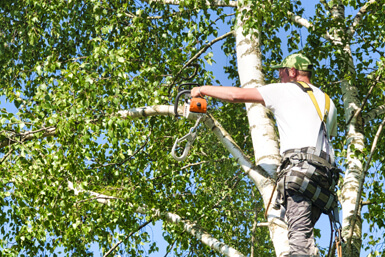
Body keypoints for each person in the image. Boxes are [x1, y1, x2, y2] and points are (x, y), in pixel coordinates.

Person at [191, 53, 338, 257]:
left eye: (282, 71)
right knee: (302, 234)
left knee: (298, 241)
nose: (279, 75)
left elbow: (236, 96)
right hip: (324, 180)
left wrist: (202, 89)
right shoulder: (328, 102)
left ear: (293, 72)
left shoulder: (285, 90)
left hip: (300, 175)